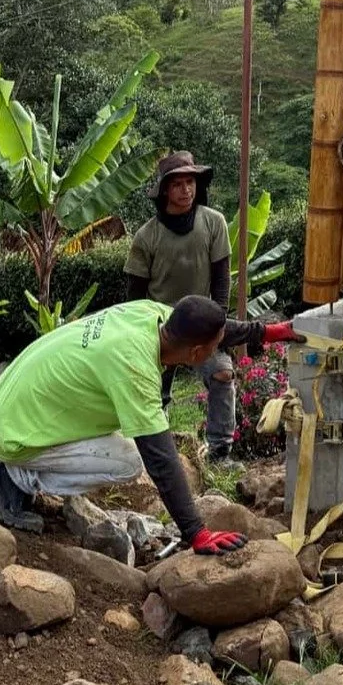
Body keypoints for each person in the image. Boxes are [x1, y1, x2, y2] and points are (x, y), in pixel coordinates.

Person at [0, 294, 300, 550]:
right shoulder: (134, 368)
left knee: (116, 428)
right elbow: (161, 458)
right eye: (214, 348)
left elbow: (216, 328)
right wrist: (196, 532)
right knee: (128, 462)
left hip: (4, 411)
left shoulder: (151, 315)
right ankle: (11, 476)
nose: (219, 348)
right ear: (197, 353)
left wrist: (271, 332)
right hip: (12, 431)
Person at [124, 151, 237, 459]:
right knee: (153, 394)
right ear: (165, 191)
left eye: (190, 182)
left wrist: (219, 320)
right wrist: (140, 335)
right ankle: (154, 454)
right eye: (177, 184)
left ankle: (220, 451)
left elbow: (221, 277)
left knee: (222, 373)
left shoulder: (213, 223)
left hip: (201, 323)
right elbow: (135, 294)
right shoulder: (146, 236)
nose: (186, 190)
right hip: (159, 328)